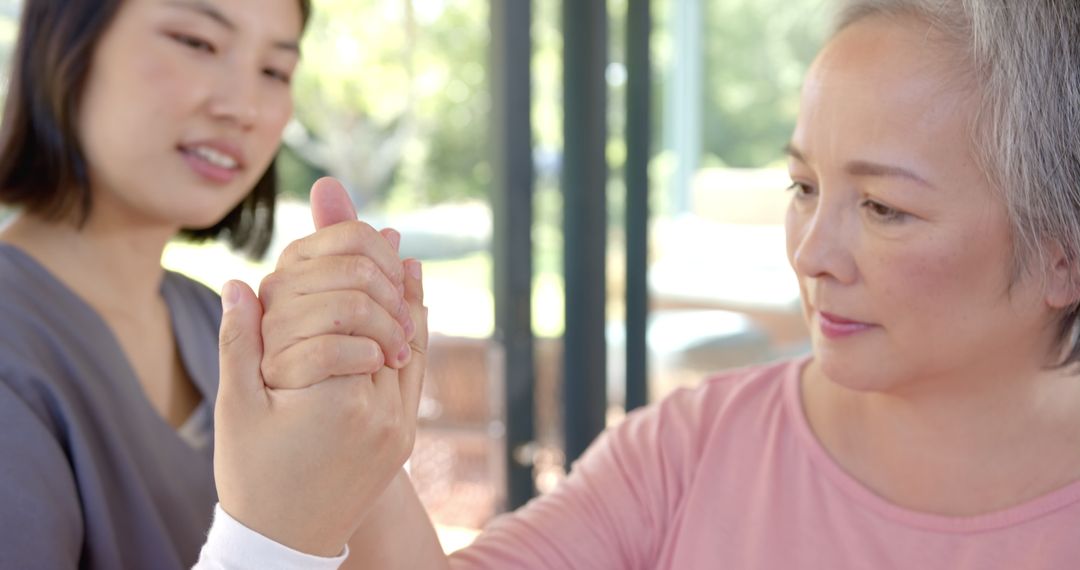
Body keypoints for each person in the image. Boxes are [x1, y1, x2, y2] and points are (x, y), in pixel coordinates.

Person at [263, 0, 1079, 567]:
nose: (812, 252)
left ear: (1063, 252)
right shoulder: (691, 451)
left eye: (884, 207)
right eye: (803, 188)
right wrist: (348, 414)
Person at [0, 0, 420, 567]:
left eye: (275, 71)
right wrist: (279, 532)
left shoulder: (216, 323)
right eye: (197, 42)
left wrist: (361, 422)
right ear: (66, 43)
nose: (244, 107)